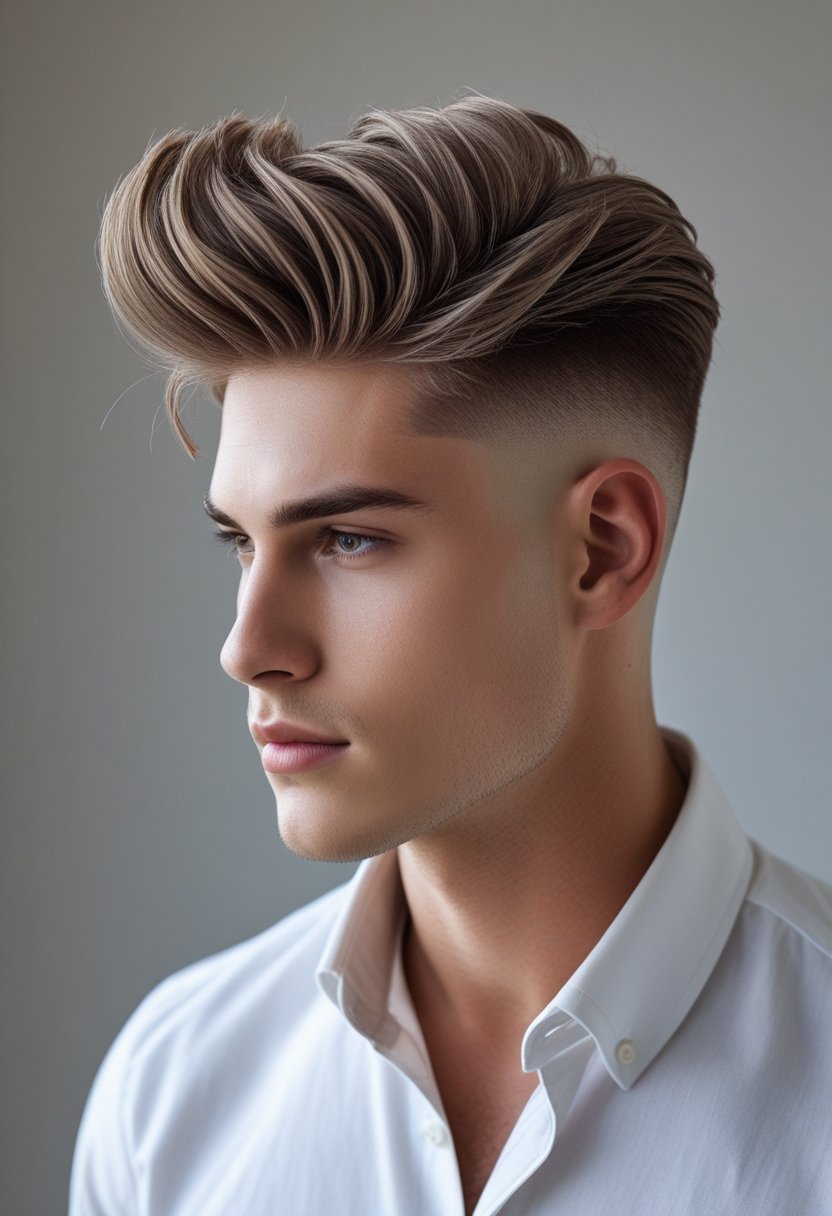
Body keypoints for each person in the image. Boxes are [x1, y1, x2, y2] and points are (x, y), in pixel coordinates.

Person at [69, 94, 832, 1215]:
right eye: (242, 542)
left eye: (348, 538)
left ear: (599, 549)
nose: (249, 649)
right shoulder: (170, 1099)